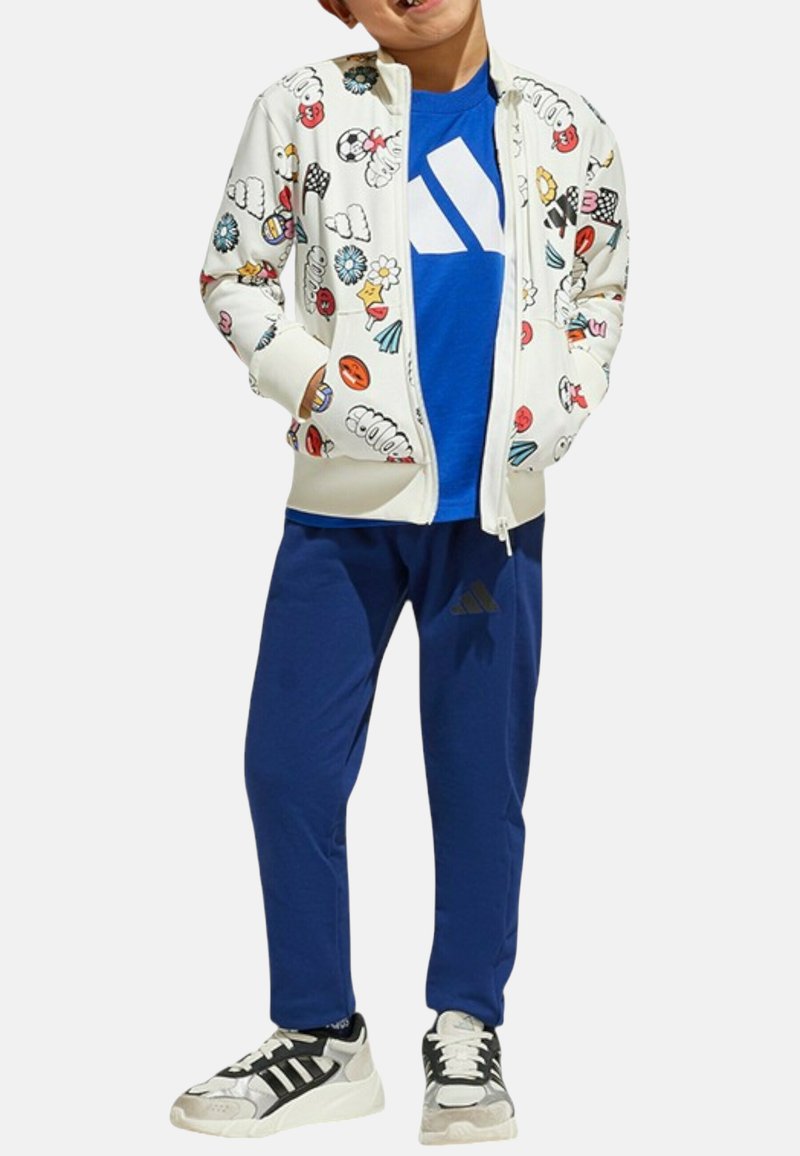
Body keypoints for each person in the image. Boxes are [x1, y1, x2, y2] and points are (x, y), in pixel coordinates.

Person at [170, 0, 630, 1144]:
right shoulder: (302, 109)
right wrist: (316, 387)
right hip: (342, 516)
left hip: (492, 525)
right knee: (286, 766)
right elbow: (233, 273)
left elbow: (597, 288)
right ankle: (320, 1035)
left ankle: (466, 1027)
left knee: (477, 778)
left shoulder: (564, 126)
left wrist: (555, 416)